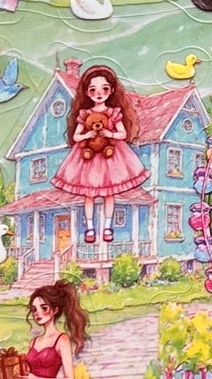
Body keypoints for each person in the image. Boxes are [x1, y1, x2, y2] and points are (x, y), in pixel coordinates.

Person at [52, 61, 148, 244]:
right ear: (87, 93)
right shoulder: (85, 114)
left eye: (104, 89)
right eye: (93, 90)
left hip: (111, 157)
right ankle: (90, 228)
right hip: (87, 159)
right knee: (88, 195)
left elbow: (123, 134)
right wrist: (87, 134)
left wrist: (110, 134)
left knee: (109, 194)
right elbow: (76, 136)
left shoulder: (113, 113)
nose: (99, 94)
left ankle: (107, 227)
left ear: (111, 90)